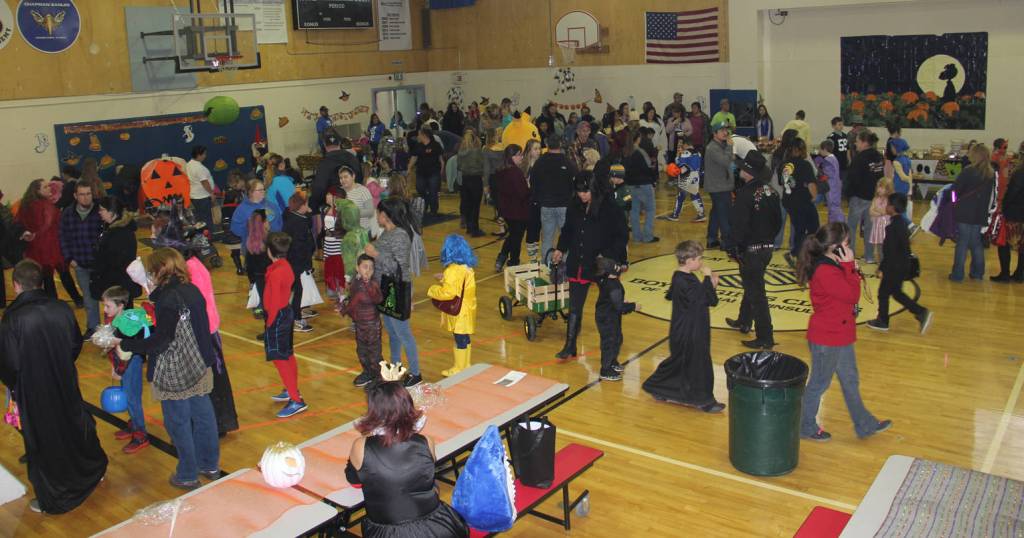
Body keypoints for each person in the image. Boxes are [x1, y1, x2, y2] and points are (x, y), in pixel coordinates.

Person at [0, 260, 108, 513]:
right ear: (40, 282)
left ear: (16, 285)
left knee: (44, 440)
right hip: (64, 380)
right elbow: (74, 344)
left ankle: (57, 495)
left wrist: (16, 386)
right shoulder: (61, 308)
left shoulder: (12, 319)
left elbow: (10, 363)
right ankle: (91, 469)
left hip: (34, 390)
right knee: (74, 424)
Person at [116, 248, 221, 489]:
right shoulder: (192, 291)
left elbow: (162, 340)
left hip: (176, 369)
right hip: (199, 364)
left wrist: (130, 345)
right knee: (204, 416)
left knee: (178, 421)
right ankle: (209, 464)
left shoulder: (167, 298)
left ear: (158, 271)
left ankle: (187, 473)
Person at [796, 223, 892, 442]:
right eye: (847, 242)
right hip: (827, 338)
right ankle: (806, 426)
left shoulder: (833, 264)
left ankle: (864, 424)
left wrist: (849, 268)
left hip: (840, 334)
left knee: (850, 379)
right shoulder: (825, 270)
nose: (850, 245)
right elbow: (851, 295)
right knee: (819, 383)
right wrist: (849, 268)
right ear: (835, 246)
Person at [346, 378, 469, 537]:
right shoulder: (426, 442)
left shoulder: (361, 446)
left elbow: (354, 480)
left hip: (388, 531)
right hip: (437, 526)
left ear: (374, 411)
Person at [552, 170, 629, 359]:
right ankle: (570, 345)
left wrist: (612, 259)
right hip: (579, 262)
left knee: (610, 306)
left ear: (595, 188)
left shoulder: (610, 208)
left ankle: (615, 342)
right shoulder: (574, 205)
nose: (582, 195)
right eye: (579, 191)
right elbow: (568, 230)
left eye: (586, 191)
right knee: (575, 307)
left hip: (603, 264)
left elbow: (621, 236)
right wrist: (560, 249)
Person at [642, 241, 724, 413]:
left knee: (680, 362)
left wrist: (707, 285)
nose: (701, 263)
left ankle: (658, 387)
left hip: (684, 327)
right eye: (699, 259)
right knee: (699, 364)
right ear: (689, 261)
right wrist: (710, 280)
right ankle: (704, 401)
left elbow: (678, 295)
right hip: (691, 330)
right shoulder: (686, 280)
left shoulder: (679, 277)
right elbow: (707, 300)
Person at [727, 151, 783, 350]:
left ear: (748, 171)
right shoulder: (772, 191)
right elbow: (779, 222)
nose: (739, 169)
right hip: (766, 248)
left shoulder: (744, 194)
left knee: (756, 292)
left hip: (750, 250)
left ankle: (765, 336)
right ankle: (744, 321)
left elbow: (738, 226)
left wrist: (733, 248)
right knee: (752, 284)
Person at [365, 198, 423, 387]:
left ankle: (416, 373)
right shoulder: (387, 232)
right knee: (392, 331)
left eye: (378, 212)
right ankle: (395, 366)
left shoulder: (399, 235)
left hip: (396, 289)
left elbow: (399, 267)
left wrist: (375, 255)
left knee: (403, 332)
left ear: (385, 215)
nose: (376, 215)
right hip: (386, 288)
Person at [182, 248, 239, 436]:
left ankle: (216, 423)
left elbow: (195, 305)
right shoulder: (195, 265)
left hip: (204, 332)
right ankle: (219, 422)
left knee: (211, 380)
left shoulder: (191, 269)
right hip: (208, 329)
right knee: (215, 379)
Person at [866, 193, 934, 333]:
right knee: (896, 293)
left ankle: (883, 321)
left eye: (888, 204)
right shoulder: (902, 223)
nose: (886, 206)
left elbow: (889, 253)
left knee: (883, 293)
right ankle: (919, 312)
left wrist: (881, 268)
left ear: (892, 207)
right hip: (902, 265)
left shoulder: (892, 228)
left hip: (894, 267)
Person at [262, 232, 309, 418]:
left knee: (280, 358)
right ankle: (291, 390)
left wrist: (270, 323)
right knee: (287, 354)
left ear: (269, 251)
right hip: (285, 314)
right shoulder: (285, 266)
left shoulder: (276, 272)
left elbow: (273, 302)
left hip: (277, 318)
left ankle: (296, 400)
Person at [101, 286, 151, 452]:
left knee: (132, 397)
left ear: (120, 305)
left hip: (131, 363)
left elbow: (126, 351)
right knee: (127, 393)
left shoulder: (128, 323)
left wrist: (119, 368)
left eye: (108, 306)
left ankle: (140, 433)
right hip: (123, 364)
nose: (105, 309)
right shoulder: (113, 319)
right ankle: (133, 424)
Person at [427, 234, 478, 377]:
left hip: (459, 312)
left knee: (459, 338)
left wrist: (433, 290)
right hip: (468, 308)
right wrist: (444, 279)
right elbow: (460, 286)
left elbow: (448, 293)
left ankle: (459, 368)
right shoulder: (467, 267)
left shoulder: (452, 270)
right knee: (465, 337)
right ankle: (466, 365)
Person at [59, 179, 104, 336]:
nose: (86, 198)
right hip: (80, 264)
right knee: (88, 299)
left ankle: (113, 329)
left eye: (88, 194)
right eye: (82, 194)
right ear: (75, 196)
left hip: (100, 264)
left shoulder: (100, 210)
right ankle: (93, 327)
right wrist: (69, 258)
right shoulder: (67, 214)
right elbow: (63, 237)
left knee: (107, 297)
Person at [950, 143, 996, 281]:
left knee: (962, 243)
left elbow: (954, 191)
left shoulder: (968, 171)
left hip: (964, 211)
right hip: (980, 213)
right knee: (976, 243)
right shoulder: (991, 173)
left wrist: (953, 203)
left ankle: (957, 275)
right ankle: (977, 273)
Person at [15, 178, 65, 298]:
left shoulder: (26, 205)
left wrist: (26, 233)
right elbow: (48, 226)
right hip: (47, 247)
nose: (49, 188)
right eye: (45, 187)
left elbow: (18, 223)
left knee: (41, 279)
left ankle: (46, 302)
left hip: (35, 248)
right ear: (37, 191)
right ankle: (54, 302)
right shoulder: (44, 205)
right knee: (52, 277)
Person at [89, 197, 141, 307]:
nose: (99, 212)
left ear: (112, 212)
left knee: (119, 316)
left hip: (117, 286)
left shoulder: (120, 233)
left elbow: (115, 261)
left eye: (102, 209)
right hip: (114, 283)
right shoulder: (110, 228)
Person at [342, 254, 384, 387]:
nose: (368, 270)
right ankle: (367, 373)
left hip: (372, 324)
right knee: (361, 350)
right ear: (357, 268)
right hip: (359, 323)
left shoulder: (374, 283)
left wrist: (368, 284)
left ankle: (379, 378)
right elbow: (353, 299)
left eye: (371, 267)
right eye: (365, 267)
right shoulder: (356, 281)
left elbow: (378, 299)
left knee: (374, 353)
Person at [594, 256, 637, 382]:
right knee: (609, 341)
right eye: (616, 266)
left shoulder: (604, 280)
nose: (619, 267)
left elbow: (615, 302)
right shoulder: (613, 286)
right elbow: (620, 307)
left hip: (609, 314)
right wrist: (633, 306)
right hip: (607, 317)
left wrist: (620, 301)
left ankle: (612, 361)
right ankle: (605, 369)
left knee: (617, 338)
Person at [531, 135, 575, 259]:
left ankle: (547, 266)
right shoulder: (567, 162)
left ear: (547, 145)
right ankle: (566, 268)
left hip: (546, 205)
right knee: (566, 238)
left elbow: (533, 183)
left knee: (547, 238)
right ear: (560, 145)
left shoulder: (540, 162)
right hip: (564, 206)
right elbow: (575, 181)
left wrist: (539, 199)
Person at [845, 130, 885, 262]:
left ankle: (850, 254)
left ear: (864, 142)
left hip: (859, 197)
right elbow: (880, 176)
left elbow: (852, 178)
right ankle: (869, 256)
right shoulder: (879, 157)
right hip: (873, 197)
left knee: (851, 226)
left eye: (857, 141)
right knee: (869, 228)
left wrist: (848, 194)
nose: (855, 143)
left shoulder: (859, 158)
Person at [781, 138, 820, 268]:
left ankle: (796, 254)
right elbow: (811, 184)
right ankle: (801, 255)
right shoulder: (804, 165)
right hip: (802, 201)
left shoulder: (784, 164)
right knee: (813, 227)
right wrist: (814, 197)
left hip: (789, 200)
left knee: (799, 228)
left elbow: (783, 182)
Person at [283, 192, 316, 333]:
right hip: (297, 261)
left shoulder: (291, 217)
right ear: (301, 206)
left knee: (296, 289)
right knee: (298, 290)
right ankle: (296, 318)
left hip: (292, 260)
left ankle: (295, 313)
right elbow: (302, 244)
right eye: (306, 204)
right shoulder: (299, 223)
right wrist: (307, 262)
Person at [494, 144, 529, 272]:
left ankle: (502, 258)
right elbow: (522, 193)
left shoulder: (501, 170)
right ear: (512, 156)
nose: (521, 157)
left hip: (507, 210)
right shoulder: (515, 172)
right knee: (516, 238)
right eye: (519, 154)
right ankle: (513, 262)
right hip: (518, 210)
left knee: (513, 235)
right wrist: (529, 187)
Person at [659, 137, 706, 223]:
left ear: (686, 145)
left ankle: (675, 215)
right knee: (694, 195)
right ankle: (701, 214)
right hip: (696, 176)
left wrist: (677, 157)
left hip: (687, 176)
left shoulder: (685, 153)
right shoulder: (699, 153)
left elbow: (679, 165)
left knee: (681, 196)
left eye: (683, 145)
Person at [624, 130, 659, 243]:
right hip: (644, 184)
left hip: (630, 186)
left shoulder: (625, 152)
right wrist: (653, 178)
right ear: (638, 139)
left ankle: (636, 236)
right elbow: (649, 167)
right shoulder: (640, 152)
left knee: (634, 211)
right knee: (650, 210)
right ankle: (648, 236)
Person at [704, 121, 734, 251]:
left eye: (726, 130)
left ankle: (712, 239)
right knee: (725, 214)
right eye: (722, 130)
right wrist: (729, 147)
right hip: (719, 187)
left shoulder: (719, 146)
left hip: (720, 185)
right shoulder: (713, 148)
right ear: (714, 133)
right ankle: (727, 242)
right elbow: (726, 161)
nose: (725, 133)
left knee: (716, 213)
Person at [992, 161, 1024, 282]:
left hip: (1015, 213)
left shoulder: (1020, 172)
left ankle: (1005, 273)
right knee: (1022, 246)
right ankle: (1020, 274)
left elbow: (1013, 192)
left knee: (1004, 243)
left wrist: (1003, 207)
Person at [457, 130, 487, 237]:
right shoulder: (477, 151)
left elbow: (459, 166)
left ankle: (469, 227)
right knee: (475, 206)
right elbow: (483, 165)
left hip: (465, 179)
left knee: (468, 204)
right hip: (475, 179)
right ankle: (475, 229)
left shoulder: (460, 152)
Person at [409, 127, 445, 217]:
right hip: (421, 172)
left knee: (433, 191)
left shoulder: (435, 145)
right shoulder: (418, 146)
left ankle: (434, 210)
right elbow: (414, 157)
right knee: (420, 188)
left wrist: (442, 169)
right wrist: (409, 167)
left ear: (424, 135)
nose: (418, 136)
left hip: (434, 172)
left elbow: (441, 159)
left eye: (419, 134)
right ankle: (426, 201)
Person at [322, 189, 347, 299]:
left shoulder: (342, 212)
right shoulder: (326, 209)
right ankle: (334, 291)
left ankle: (342, 295)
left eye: (329, 195)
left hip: (338, 247)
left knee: (339, 272)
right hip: (329, 246)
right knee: (331, 270)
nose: (326, 197)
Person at [223, 171, 248, 275]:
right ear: (236, 182)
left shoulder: (239, 192)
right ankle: (240, 267)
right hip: (235, 223)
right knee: (236, 247)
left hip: (237, 222)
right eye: (242, 182)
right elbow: (229, 210)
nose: (243, 184)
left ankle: (242, 267)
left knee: (238, 246)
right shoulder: (232, 193)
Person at [186, 145, 215, 233]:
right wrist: (211, 193)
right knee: (206, 219)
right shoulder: (199, 168)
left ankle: (200, 236)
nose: (205, 156)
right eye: (204, 154)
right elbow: (204, 182)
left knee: (199, 219)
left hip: (195, 196)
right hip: (202, 197)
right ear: (198, 155)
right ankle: (208, 238)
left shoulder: (189, 164)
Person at [868, 178, 895, 264]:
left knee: (886, 246)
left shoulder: (890, 200)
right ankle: (880, 263)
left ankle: (886, 263)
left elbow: (886, 211)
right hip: (877, 227)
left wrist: (877, 210)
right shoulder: (876, 199)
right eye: (878, 187)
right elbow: (871, 211)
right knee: (878, 247)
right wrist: (879, 212)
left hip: (886, 227)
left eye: (881, 187)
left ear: (888, 189)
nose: (878, 189)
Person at [817, 140, 844, 223]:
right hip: (836, 185)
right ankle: (832, 225)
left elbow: (827, 175)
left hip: (831, 187)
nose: (819, 151)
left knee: (833, 208)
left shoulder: (828, 160)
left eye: (820, 150)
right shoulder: (833, 158)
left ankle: (840, 225)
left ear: (824, 149)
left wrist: (818, 178)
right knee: (833, 207)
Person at [264, 154, 295, 220]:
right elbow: (291, 203)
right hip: (280, 219)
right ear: (281, 165)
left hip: (271, 218)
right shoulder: (282, 180)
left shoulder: (269, 179)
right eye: (284, 162)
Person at [826, 117, 851, 187]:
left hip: (844, 162)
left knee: (844, 179)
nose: (841, 126)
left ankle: (843, 194)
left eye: (842, 124)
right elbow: (828, 151)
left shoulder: (845, 135)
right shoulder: (831, 137)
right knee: (836, 180)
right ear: (833, 126)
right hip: (836, 161)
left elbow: (847, 149)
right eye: (839, 124)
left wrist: (849, 159)